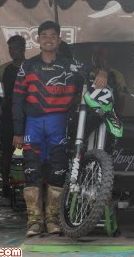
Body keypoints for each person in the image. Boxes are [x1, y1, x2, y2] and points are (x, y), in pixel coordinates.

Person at [12, 21, 107, 237]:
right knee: (32, 172)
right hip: (33, 125)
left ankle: (53, 220)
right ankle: (34, 221)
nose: (48, 39)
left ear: (59, 40)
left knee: (58, 171)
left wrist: (102, 72)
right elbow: (17, 100)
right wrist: (18, 131)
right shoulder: (27, 66)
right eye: (44, 35)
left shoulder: (71, 65)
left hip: (59, 124)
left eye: (53, 36)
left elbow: (94, 72)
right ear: (38, 39)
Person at [0, 35, 26, 198]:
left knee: (29, 150)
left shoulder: (31, 66)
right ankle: (5, 184)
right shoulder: (5, 68)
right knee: (7, 150)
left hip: (29, 113)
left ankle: (30, 183)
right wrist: (0, 101)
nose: (12, 51)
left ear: (23, 48)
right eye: (10, 49)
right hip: (9, 113)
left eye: (15, 48)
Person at [91, 45, 128, 117]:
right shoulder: (86, 74)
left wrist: (116, 116)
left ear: (106, 57)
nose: (96, 58)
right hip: (87, 117)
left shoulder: (116, 75)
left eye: (100, 54)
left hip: (110, 116)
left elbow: (122, 99)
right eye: (94, 54)